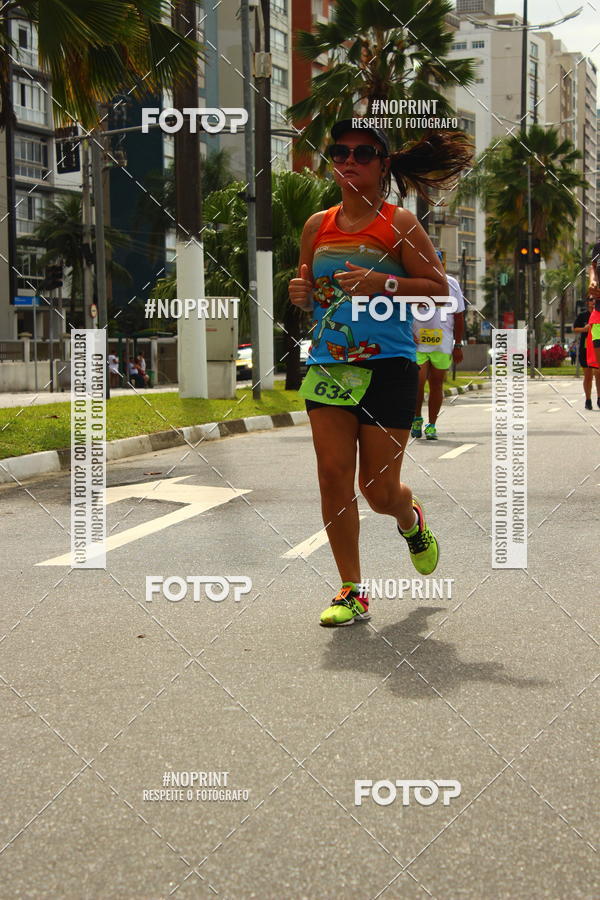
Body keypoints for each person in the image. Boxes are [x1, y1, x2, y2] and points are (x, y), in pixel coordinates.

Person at [288, 119, 472, 627]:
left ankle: (410, 519)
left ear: (382, 164)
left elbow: (439, 290)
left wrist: (383, 283)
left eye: (362, 153)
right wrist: (299, 294)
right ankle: (352, 591)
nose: (349, 161)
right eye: (339, 152)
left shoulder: (400, 224)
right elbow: (312, 291)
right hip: (329, 364)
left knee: (378, 491)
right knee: (331, 477)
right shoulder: (316, 226)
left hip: (388, 366)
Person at [410, 251, 465, 440]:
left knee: (436, 384)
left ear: (442, 263)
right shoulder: (414, 282)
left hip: (442, 343)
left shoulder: (452, 283)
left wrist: (458, 345)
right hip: (418, 344)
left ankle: (432, 425)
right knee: (418, 382)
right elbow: (403, 311)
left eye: (436, 262)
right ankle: (416, 418)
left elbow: (459, 316)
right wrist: (408, 333)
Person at [573, 297, 600, 409]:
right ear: (587, 302)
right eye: (590, 300)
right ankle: (588, 400)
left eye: (595, 300)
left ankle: (599, 398)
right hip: (585, 349)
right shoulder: (582, 315)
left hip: (596, 347)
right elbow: (575, 329)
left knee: (598, 375)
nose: (593, 302)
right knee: (588, 376)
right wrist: (585, 329)